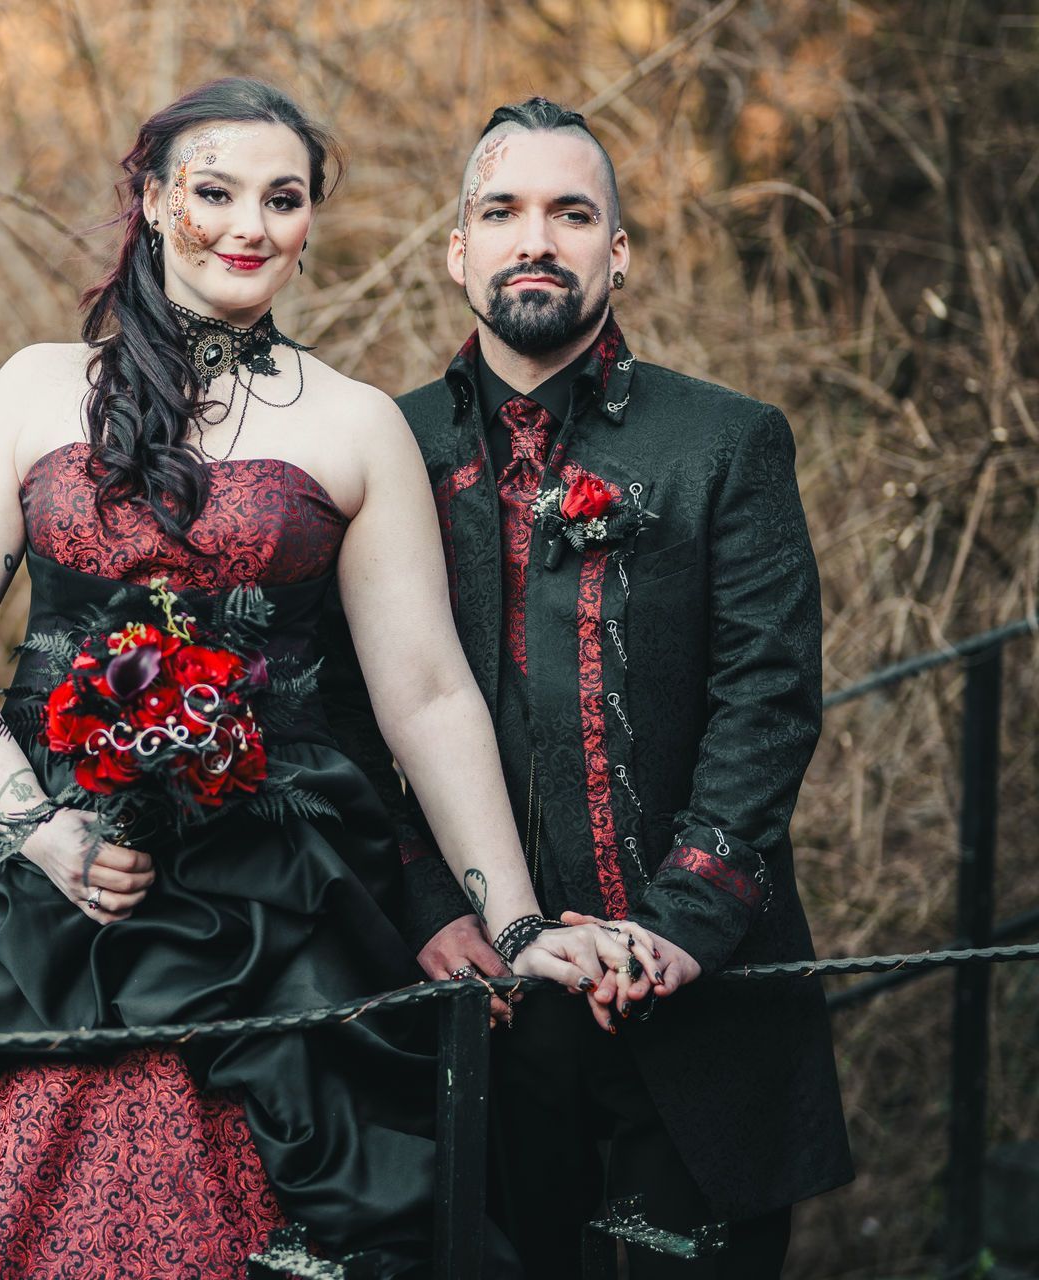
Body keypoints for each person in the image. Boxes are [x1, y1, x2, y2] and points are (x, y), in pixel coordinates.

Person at [0, 79, 658, 1280]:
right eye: (216, 192)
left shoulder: (356, 423)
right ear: (155, 200)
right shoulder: (34, 387)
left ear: (313, 221)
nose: (248, 226)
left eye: (284, 198)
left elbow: (424, 693)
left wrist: (517, 918)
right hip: (41, 887)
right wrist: (39, 828)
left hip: (269, 890)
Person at [335, 98, 855, 1277]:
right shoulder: (381, 449)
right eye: (502, 211)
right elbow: (348, 715)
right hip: (472, 1007)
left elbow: (767, 698)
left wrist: (679, 925)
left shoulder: (724, 443)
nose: (537, 237)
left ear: (614, 250)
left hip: (690, 995)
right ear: (457, 249)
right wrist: (426, 907)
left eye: (572, 213)